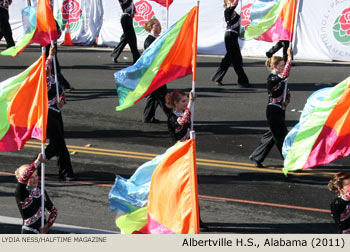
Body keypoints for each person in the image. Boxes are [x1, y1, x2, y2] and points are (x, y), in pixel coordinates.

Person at [249, 48, 292, 168]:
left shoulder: (283, 80)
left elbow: (287, 94)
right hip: (273, 111)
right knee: (282, 136)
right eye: (281, 65)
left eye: (284, 65)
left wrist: (287, 101)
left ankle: (257, 156)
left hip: (280, 110)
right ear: (275, 66)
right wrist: (289, 59)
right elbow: (284, 75)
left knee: (272, 135)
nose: (283, 67)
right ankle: (289, 161)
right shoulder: (272, 78)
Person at [45, 46, 75, 181]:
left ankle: (33, 167)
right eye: (49, 65)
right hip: (48, 114)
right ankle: (66, 172)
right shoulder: (40, 81)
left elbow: (60, 92)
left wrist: (62, 100)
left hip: (56, 112)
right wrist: (50, 55)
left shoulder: (52, 79)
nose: (50, 67)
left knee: (55, 145)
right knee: (60, 144)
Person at [15, 153, 57, 234]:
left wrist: (48, 226)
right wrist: (37, 162)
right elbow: (24, 177)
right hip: (29, 232)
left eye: (36, 175)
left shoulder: (40, 190)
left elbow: (53, 210)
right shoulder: (20, 193)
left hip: (43, 232)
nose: (35, 179)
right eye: (31, 177)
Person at [211, 0, 250, 88]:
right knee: (237, 59)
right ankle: (242, 81)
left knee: (228, 59)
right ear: (226, 2)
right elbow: (233, 6)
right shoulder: (228, 11)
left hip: (233, 36)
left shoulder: (235, 13)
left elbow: (237, 24)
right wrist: (235, 2)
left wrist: (240, 32)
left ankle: (217, 77)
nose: (232, 1)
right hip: (230, 36)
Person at [143, 18, 171, 123]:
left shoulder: (157, 39)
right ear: (152, 27)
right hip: (154, 72)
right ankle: (172, 117)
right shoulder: (149, 40)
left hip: (157, 71)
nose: (160, 27)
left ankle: (148, 116)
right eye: (157, 25)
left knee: (153, 95)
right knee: (162, 95)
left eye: (160, 25)